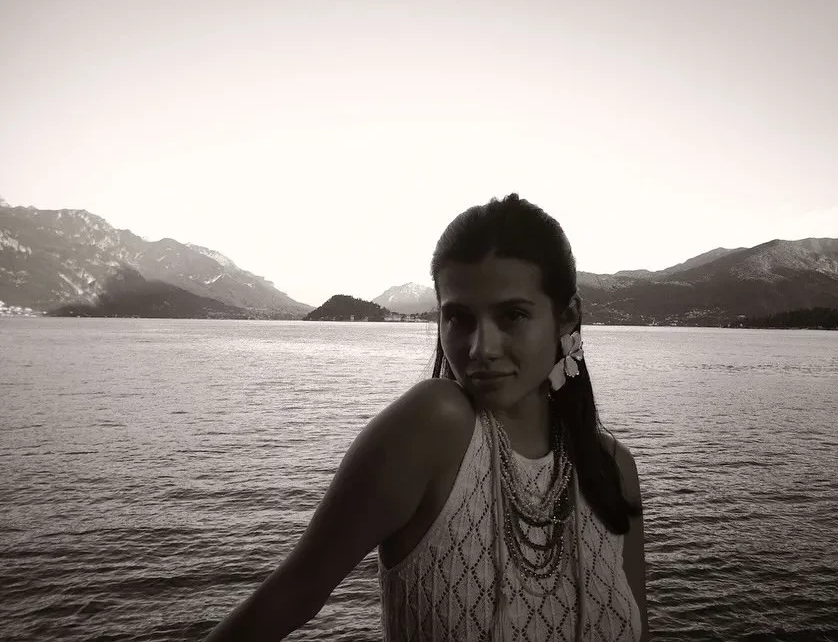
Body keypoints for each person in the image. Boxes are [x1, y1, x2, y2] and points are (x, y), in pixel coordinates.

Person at [203, 193, 649, 641]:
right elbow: (290, 595)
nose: (481, 348)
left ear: (567, 318)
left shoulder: (613, 469)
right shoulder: (436, 425)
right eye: (458, 317)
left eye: (512, 315)